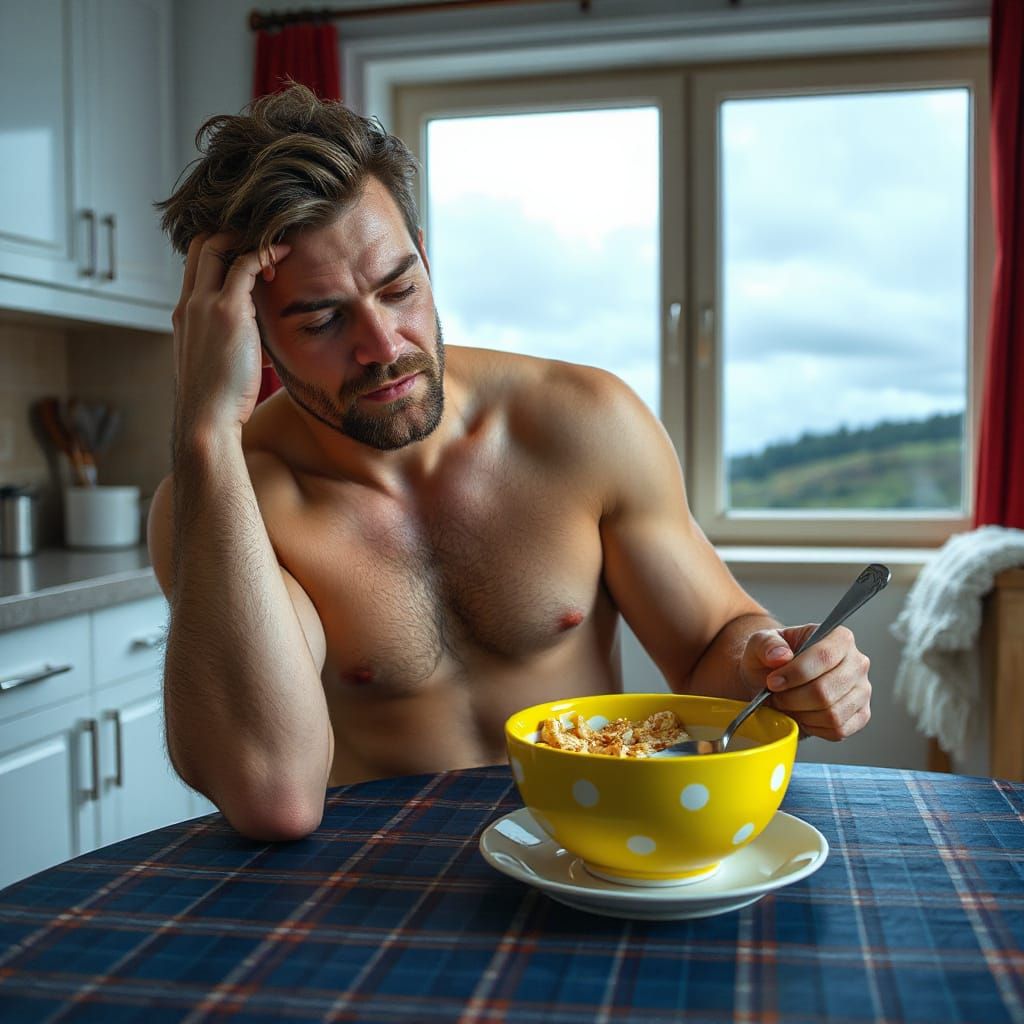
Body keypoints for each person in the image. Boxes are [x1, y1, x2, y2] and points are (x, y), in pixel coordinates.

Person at [149, 84, 872, 841]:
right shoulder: (230, 503)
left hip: (591, 852)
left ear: (425, 259)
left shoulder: (580, 422)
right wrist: (207, 429)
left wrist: (782, 667)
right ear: (250, 330)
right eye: (323, 319)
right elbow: (273, 794)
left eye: (400, 288)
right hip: (390, 881)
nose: (385, 346)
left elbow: (707, 645)